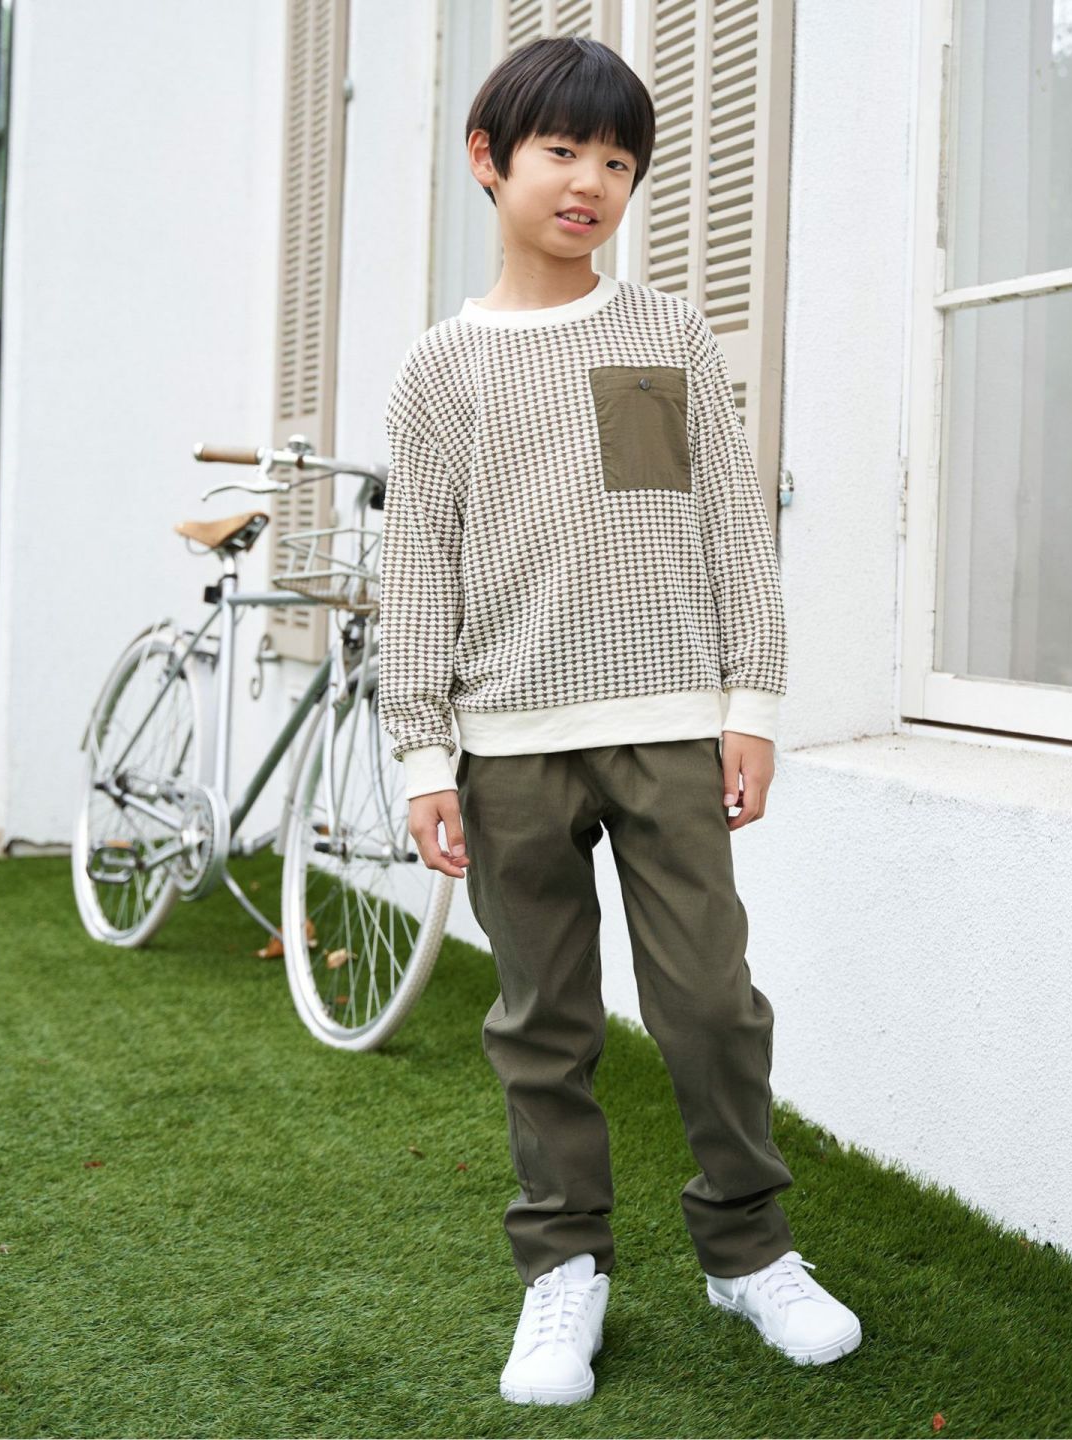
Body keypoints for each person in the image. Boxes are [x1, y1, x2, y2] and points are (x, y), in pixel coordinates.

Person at [377, 33, 861, 1407]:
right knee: (544, 1021)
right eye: (561, 152)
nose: (590, 181)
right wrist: (422, 751)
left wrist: (751, 703)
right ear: (489, 160)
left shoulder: (668, 335)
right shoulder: (440, 369)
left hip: (669, 728)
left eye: (617, 161)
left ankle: (748, 1249)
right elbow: (415, 568)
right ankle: (564, 1269)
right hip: (505, 746)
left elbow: (728, 525)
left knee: (710, 1002)